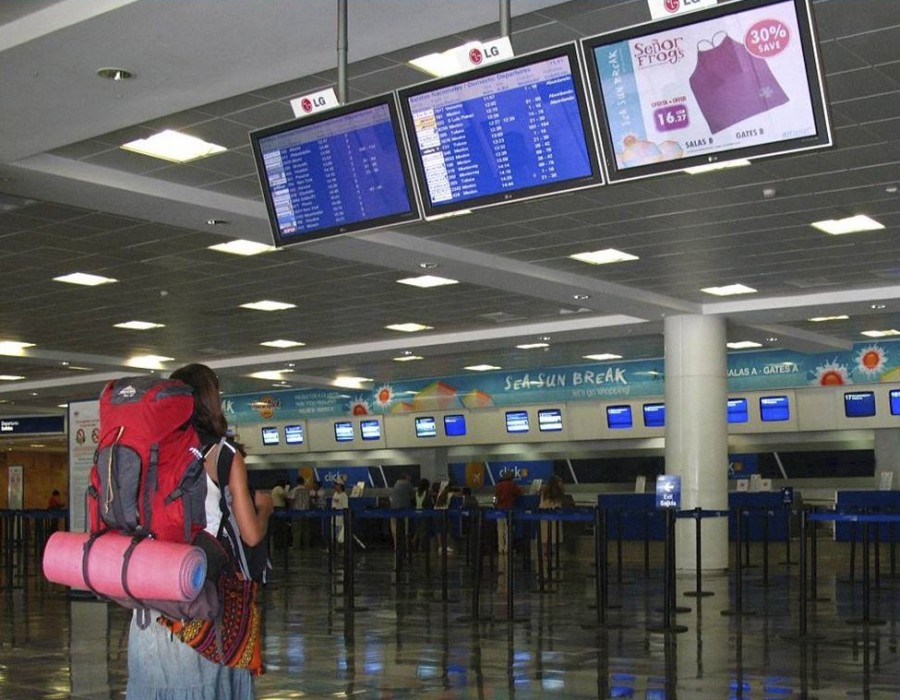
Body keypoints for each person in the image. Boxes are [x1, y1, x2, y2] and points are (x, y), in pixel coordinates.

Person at [126, 363, 273, 700]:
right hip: (200, 599)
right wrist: (265, 508)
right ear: (211, 400)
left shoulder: (151, 449)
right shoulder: (222, 454)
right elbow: (250, 535)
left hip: (150, 602)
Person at [494, 470, 523, 555]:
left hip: (499, 509)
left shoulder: (498, 485)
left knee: (500, 529)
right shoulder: (512, 485)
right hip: (509, 509)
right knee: (508, 529)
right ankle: (507, 548)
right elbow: (519, 493)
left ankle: (500, 548)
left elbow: (494, 497)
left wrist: (494, 505)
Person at [538, 475, 565, 556]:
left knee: (544, 534)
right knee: (554, 533)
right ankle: (553, 551)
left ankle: (545, 551)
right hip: (555, 514)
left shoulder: (544, 490)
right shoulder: (558, 491)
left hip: (543, 514)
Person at [389, 474, 414, 551]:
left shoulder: (395, 484)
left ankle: (396, 546)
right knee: (405, 529)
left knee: (394, 529)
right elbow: (412, 495)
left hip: (393, 509)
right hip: (404, 509)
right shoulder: (408, 484)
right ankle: (405, 547)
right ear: (406, 478)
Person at [287, 476, 311, 548]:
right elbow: (309, 500)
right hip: (306, 512)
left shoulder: (295, 490)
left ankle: (296, 546)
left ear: (297, 482)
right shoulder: (307, 490)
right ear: (303, 482)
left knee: (296, 530)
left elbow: (291, 500)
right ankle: (306, 545)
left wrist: (290, 509)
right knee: (306, 530)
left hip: (296, 512)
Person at [270, 479, 290, 550]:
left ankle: (277, 545)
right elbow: (283, 495)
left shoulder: (274, 489)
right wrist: (287, 490)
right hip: (280, 508)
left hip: (274, 508)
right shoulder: (279, 488)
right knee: (281, 527)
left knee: (277, 527)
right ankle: (281, 545)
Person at [330, 477, 349, 549]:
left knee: (340, 537)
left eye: (336, 484)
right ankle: (333, 549)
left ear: (340, 486)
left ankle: (340, 549)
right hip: (334, 520)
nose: (335, 486)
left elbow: (345, 508)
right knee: (333, 536)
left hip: (340, 520)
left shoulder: (344, 496)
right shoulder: (335, 494)